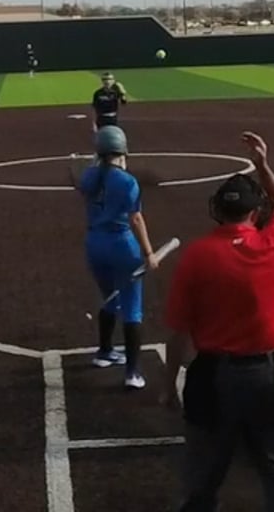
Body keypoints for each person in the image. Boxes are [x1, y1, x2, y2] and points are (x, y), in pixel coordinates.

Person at [161, 131, 274, 512]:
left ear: (217, 211)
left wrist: (169, 385)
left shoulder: (197, 256)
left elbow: (179, 334)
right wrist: (262, 165)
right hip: (273, 373)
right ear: (254, 213)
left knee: (203, 474)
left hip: (215, 377)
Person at [79, 125, 159, 390]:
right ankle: (132, 373)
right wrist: (149, 253)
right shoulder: (127, 182)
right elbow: (135, 219)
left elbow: (90, 182)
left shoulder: (89, 176)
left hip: (94, 244)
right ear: (123, 150)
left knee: (109, 297)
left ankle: (104, 352)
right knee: (132, 307)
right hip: (122, 246)